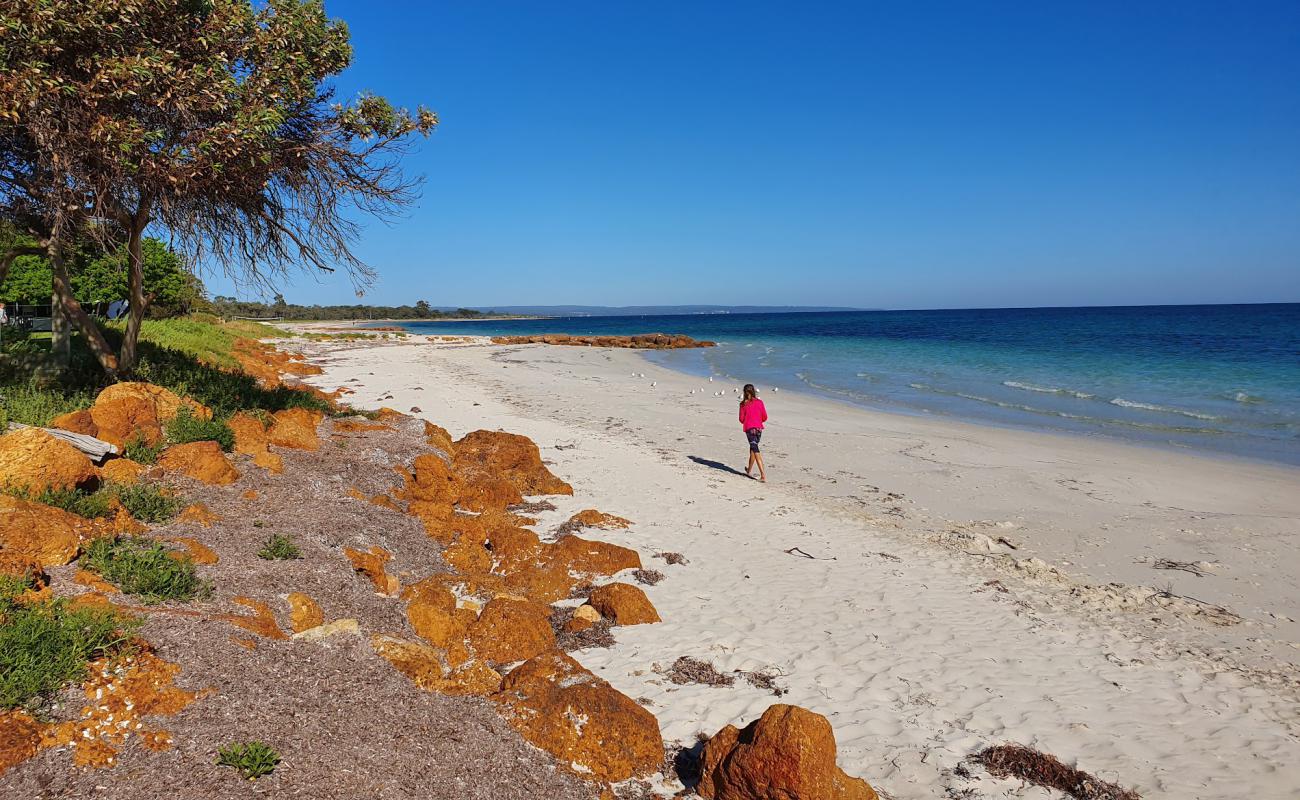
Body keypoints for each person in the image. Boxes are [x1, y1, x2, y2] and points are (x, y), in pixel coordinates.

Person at [738, 383, 768, 482]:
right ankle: (749, 471)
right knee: (753, 449)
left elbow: (741, 419)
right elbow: (764, 417)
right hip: (759, 429)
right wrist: (757, 420)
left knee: (755, 449)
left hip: (750, 429)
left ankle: (763, 475)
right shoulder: (760, 402)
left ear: (744, 392)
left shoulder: (743, 404)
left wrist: (750, 420)